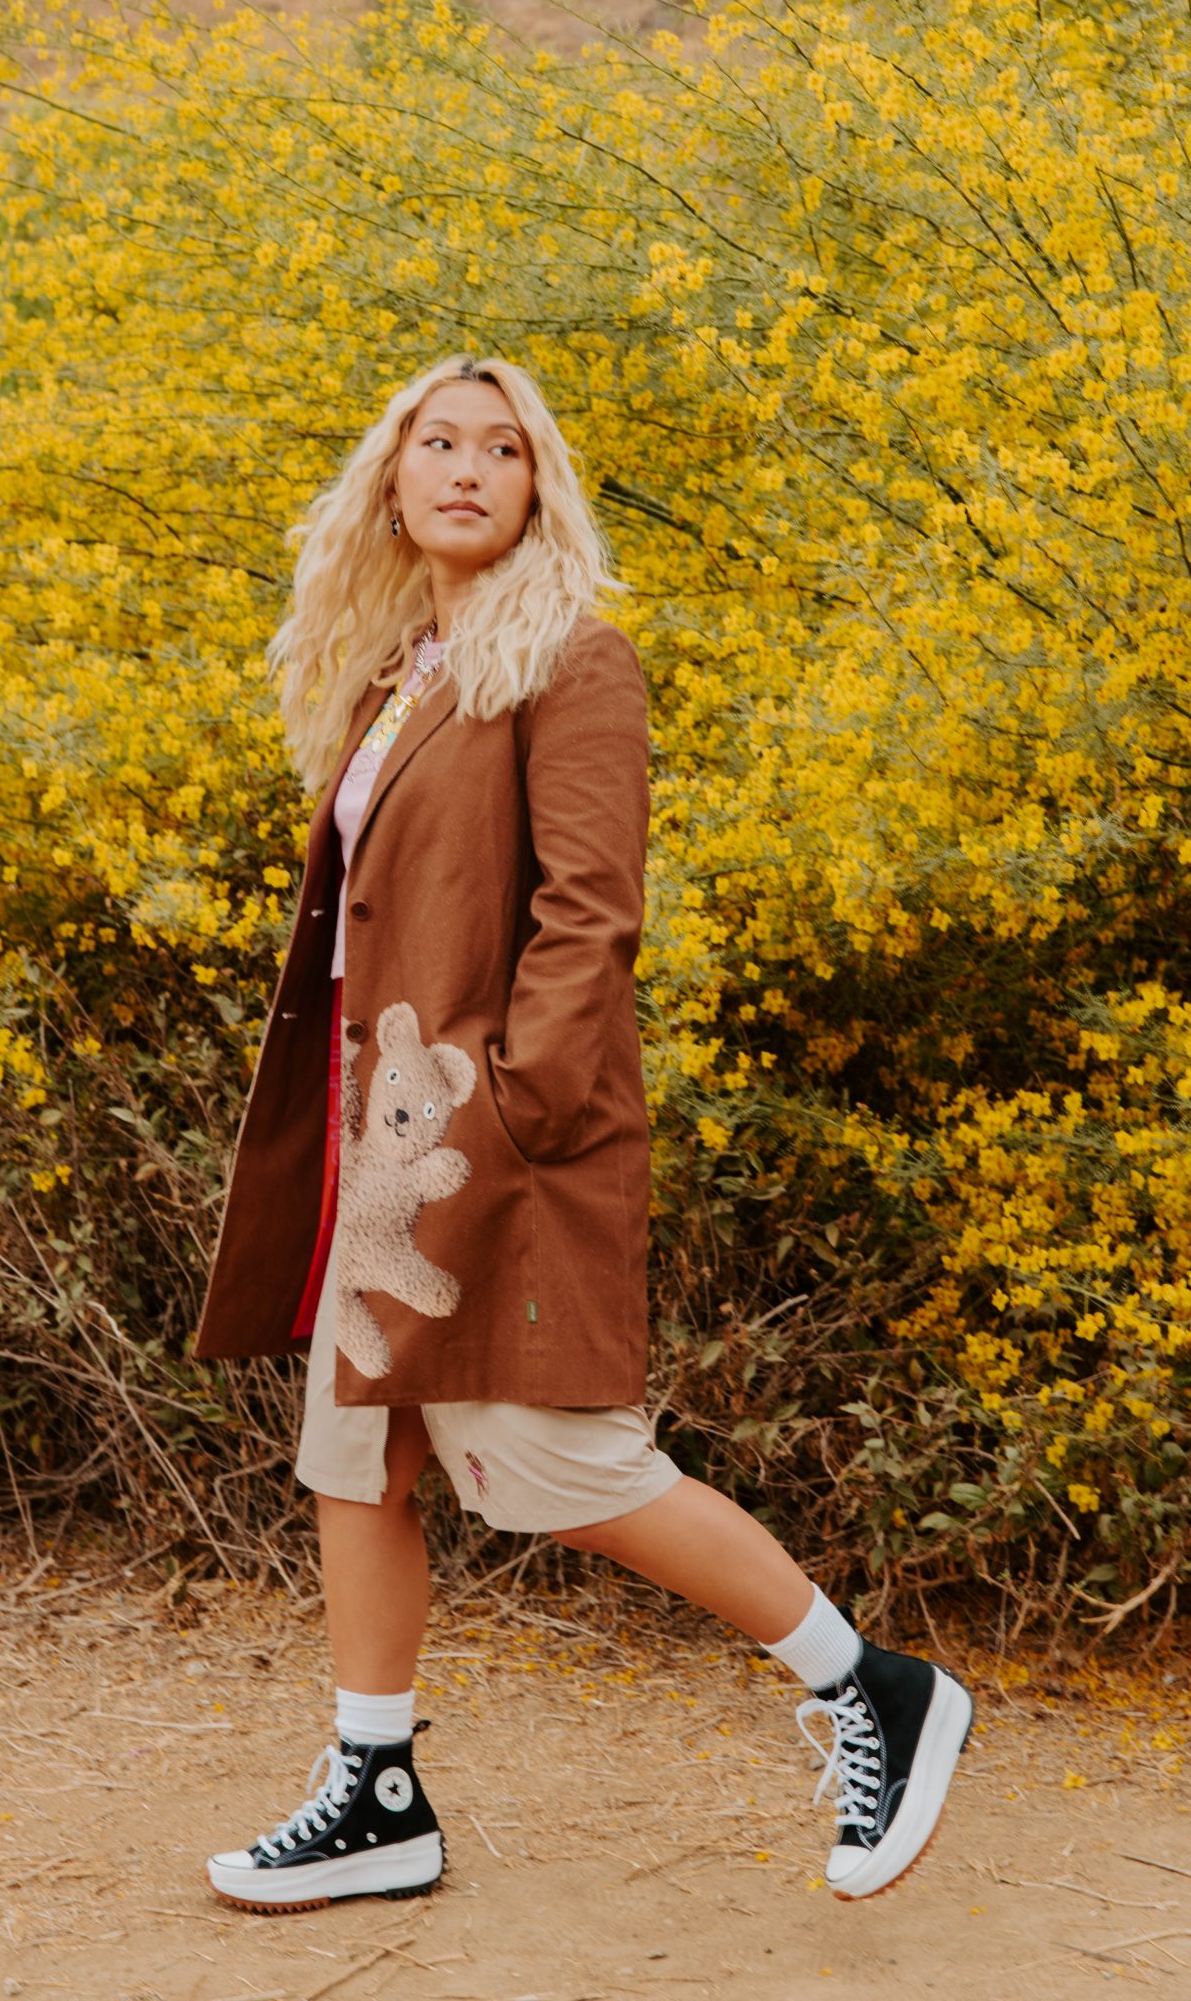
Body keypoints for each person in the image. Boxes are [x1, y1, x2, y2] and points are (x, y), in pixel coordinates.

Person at [190, 354, 972, 1913]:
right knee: (357, 1456)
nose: (467, 469)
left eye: (503, 449)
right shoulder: (402, 670)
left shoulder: (573, 658)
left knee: (559, 1463)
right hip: (382, 1137)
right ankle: (377, 1792)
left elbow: (589, 913)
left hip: (487, 1136)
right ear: (394, 479)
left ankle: (872, 1687)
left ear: (539, 488)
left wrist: (515, 1105)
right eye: (438, 443)